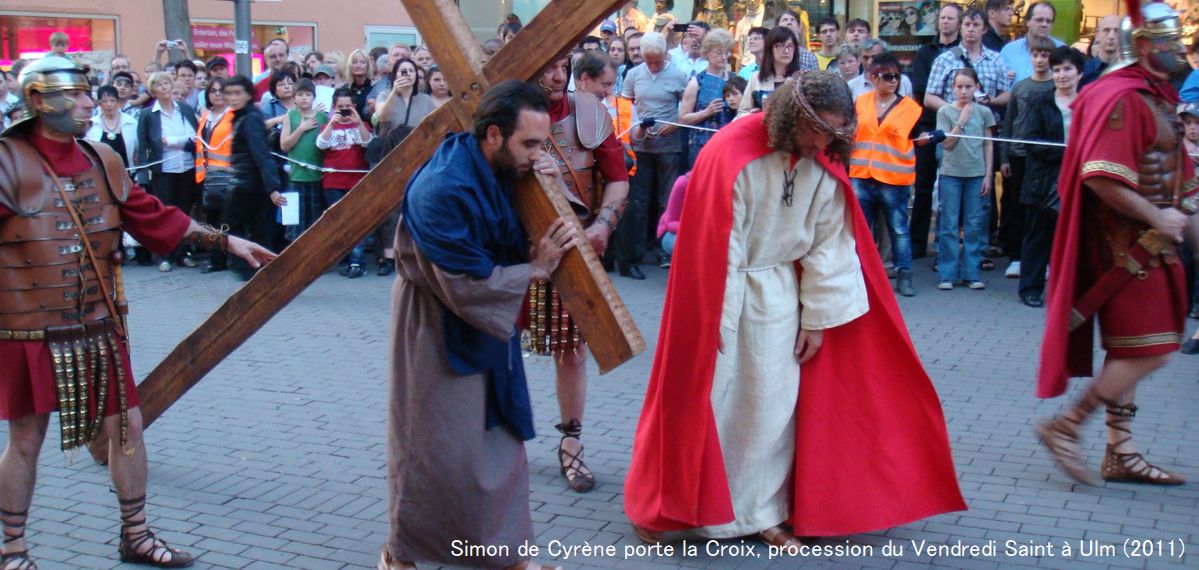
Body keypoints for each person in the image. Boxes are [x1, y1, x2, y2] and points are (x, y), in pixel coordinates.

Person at [623, 70, 964, 547]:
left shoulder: (821, 158)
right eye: (815, 129)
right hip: (727, 295)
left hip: (781, 292)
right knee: (715, 402)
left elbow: (830, 241)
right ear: (791, 117)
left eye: (832, 133)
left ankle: (762, 511)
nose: (821, 141)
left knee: (774, 408)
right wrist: (716, 321)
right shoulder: (731, 152)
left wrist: (817, 319)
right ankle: (693, 512)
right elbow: (722, 245)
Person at [0, 56, 276, 570]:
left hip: (98, 325)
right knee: (27, 440)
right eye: (77, 95)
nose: (88, 102)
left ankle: (136, 534)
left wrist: (226, 240)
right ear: (38, 101)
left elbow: (152, 215)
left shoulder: (101, 158)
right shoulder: (6, 162)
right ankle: (13, 549)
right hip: (30, 329)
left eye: (89, 93)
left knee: (127, 427)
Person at [380, 80, 575, 570]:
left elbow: (511, 229)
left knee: (499, 444)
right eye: (529, 144)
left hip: (490, 321)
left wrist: (543, 182)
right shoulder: (442, 188)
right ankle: (400, 555)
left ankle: (505, 555)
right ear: (493, 135)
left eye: (542, 143)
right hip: (435, 326)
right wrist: (533, 270)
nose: (537, 153)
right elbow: (464, 282)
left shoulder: (503, 166)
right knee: (432, 450)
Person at [1036, 2, 1198, 487]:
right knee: (1153, 350)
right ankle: (1066, 424)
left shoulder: (1156, 96)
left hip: (1154, 246)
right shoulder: (1125, 100)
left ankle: (1120, 452)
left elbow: (1180, 184)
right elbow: (1100, 177)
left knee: (1134, 349)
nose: (1182, 48)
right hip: (1129, 251)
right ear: (1146, 45)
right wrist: (1157, 217)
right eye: (1171, 40)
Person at [525, 55, 630, 493]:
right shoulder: (503, 113)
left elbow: (618, 177)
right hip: (515, 249)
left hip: (573, 250)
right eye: (545, 65)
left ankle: (571, 444)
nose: (554, 75)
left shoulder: (589, 111)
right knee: (490, 344)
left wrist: (603, 224)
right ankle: (488, 441)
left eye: (562, 65)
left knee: (572, 352)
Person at [851, 52, 935, 297]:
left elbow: (917, 138)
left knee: (898, 230)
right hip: (862, 175)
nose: (893, 81)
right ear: (873, 78)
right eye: (887, 77)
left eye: (896, 77)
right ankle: (862, 276)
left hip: (893, 180)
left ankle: (904, 275)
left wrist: (929, 139)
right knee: (862, 231)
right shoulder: (861, 103)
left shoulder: (910, 108)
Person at [616, 31, 689, 279]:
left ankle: (663, 251)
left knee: (667, 200)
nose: (652, 65)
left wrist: (677, 123)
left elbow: (688, 108)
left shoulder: (679, 75)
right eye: (648, 61)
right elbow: (625, 108)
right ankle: (636, 255)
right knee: (638, 202)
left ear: (665, 54)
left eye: (656, 60)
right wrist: (637, 130)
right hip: (641, 147)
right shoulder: (634, 74)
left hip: (670, 146)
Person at [1015, 46, 1082, 307]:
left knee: (1071, 241)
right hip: (1042, 181)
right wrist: (1066, 153)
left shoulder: (1088, 103)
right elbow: (1029, 141)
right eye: (1057, 70)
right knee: (1037, 237)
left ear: (1080, 73)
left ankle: (1069, 292)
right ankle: (1030, 289)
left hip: (1078, 180)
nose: (1062, 75)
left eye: (1067, 69)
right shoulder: (1039, 101)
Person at [997, 35, 1057, 280]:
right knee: (1014, 207)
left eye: (1044, 55)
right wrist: (1005, 158)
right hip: (1018, 155)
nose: (1040, 59)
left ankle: (1045, 260)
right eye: (1036, 54)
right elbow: (1009, 123)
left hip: (1044, 158)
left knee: (1042, 210)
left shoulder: (1054, 87)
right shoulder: (1020, 87)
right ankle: (1016, 257)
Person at [909, 3, 962, 259]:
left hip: (960, 130)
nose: (946, 22)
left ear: (958, 23)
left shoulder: (965, 54)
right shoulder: (924, 53)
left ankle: (947, 247)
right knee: (923, 187)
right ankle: (918, 243)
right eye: (943, 17)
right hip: (930, 126)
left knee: (953, 189)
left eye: (951, 18)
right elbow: (920, 90)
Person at [935, 68, 996, 290]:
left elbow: (988, 143)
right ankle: (947, 273)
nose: (963, 91)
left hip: (976, 174)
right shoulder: (944, 112)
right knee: (949, 224)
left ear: (976, 88)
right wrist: (961, 121)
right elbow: (946, 144)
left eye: (968, 86)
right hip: (950, 174)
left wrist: (988, 174)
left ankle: (972, 273)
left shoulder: (984, 113)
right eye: (959, 87)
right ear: (953, 88)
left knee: (974, 224)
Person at [222, 75, 285, 280]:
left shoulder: (249, 119)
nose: (233, 98)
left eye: (238, 93)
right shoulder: (243, 117)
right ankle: (260, 272)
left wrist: (272, 188)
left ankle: (255, 270)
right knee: (253, 230)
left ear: (249, 95)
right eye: (229, 93)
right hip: (248, 183)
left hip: (249, 185)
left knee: (238, 229)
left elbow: (261, 154)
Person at [135, 71, 199, 272]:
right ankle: (163, 255)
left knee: (183, 211)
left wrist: (171, 141)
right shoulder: (147, 114)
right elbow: (144, 143)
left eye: (166, 83)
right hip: (163, 169)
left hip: (186, 166)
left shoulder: (184, 109)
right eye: (159, 84)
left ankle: (183, 253)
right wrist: (144, 174)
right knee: (164, 212)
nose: (164, 87)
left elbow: (194, 136)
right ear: (153, 90)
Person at [316, 88, 374, 278]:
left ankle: (357, 261)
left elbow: (368, 143)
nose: (344, 111)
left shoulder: (362, 124)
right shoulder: (329, 125)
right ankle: (343, 259)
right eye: (340, 107)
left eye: (348, 107)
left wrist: (358, 123)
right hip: (333, 183)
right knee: (338, 224)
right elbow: (321, 144)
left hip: (357, 181)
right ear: (333, 108)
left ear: (355, 107)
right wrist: (332, 123)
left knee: (356, 222)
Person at [280, 78, 329, 242]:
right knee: (295, 223)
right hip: (296, 177)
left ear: (314, 97)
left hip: (317, 177)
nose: (304, 98)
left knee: (316, 220)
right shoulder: (291, 116)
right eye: (300, 94)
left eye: (308, 94)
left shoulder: (322, 117)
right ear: (294, 98)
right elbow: (284, 145)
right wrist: (301, 129)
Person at [195, 76, 234, 273]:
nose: (217, 94)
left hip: (229, 175)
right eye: (213, 91)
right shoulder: (205, 117)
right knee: (212, 220)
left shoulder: (233, 116)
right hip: (208, 176)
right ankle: (216, 260)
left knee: (227, 220)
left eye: (221, 90)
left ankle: (229, 259)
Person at [679, 29, 735, 166]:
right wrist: (706, 112)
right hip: (701, 146)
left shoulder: (734, 81)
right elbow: (682, 118)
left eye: (726, 52)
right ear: (707, 53)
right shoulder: (696, 82)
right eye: (718, 52)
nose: (723, 57)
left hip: (726, 146)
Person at [738, 27, 800, 116]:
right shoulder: (755, 78)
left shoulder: (800, 80)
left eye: (790, 46)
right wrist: (752, 116)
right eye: (781, 45)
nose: (786, 51)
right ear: (769, 48)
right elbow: (742, 112)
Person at [999, 2, 1066, 83]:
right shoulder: (1009, 51)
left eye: (1048, 21)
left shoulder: (1061, 50)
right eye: (1039, 20)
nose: (1044, 24)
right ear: (1027, 21)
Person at [376, 58, 436, 134]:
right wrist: (394, 92)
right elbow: (382, 117)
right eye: (403, 71)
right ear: (395, 75)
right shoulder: (384, 95)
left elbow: (435, 125)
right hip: (393, 144)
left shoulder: (426, 99)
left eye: (411, 71)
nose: (408, 74)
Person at [85, 85, 139, 169]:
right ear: (99, 103)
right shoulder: (91, 124)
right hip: (101, 174)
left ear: (117, 102)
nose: (109, 104)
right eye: (105, 101)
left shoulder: (131, 122)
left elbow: (139, 148)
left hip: (127, 172)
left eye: (112, 101)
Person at [846, 39, 914, 99]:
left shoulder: (902, 81)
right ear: (860, 59)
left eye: (874, 57)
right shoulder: (852, 86)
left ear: (885, 56)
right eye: (865, 58)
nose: (870, 62)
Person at [1080, 15, 1122, 89]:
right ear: (1097, 35)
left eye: (1116, 31)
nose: (1111, 36)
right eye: (1106, 30)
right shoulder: (1083, 71)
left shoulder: (1129, 72)